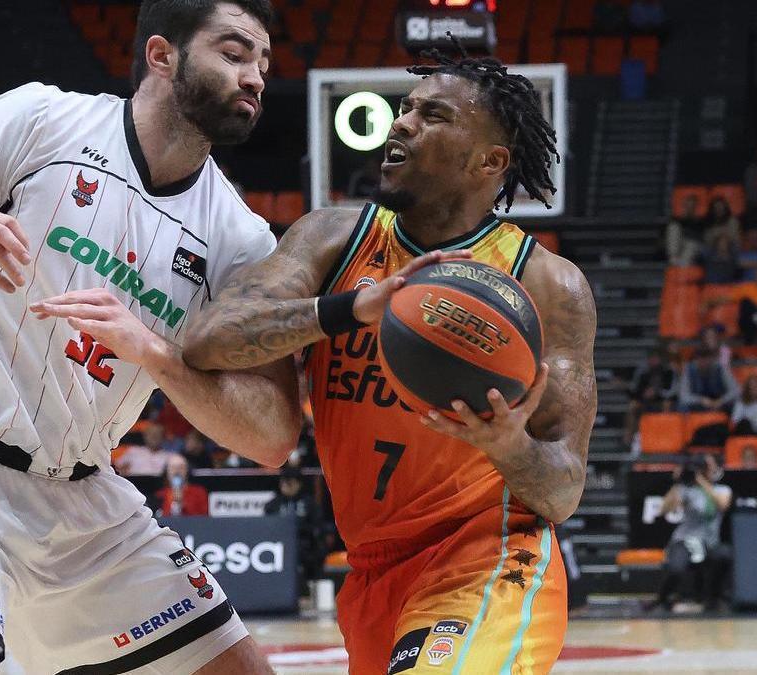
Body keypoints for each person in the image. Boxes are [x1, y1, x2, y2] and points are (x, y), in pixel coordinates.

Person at [0, 1, 296, 672]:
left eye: (262, 62)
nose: (255, 75)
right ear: (163, 56)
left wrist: (158, 356)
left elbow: (273, 437)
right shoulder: (38, 121)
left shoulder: (243, 240)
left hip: (89, 501)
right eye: (233, 53)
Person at [184, 48, 594, 674]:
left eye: (433, 115)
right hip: (371, 568)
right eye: (405, 109)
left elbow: (562, 490)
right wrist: (348, 310)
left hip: (486, 556)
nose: (401, 123)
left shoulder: (545, 286)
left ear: (491, 161)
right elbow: (207, 341)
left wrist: (509, 444)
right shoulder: (331, 238)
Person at [653, 453, 732, 612]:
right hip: (684, 539)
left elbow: (723, 505)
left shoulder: (722, 489)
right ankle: (662, 598)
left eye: (707, 467)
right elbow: (664, 510)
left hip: (709, 541)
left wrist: (701, 481)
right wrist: (677, 482)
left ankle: (713, 598)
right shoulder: (686, 489)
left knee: (724, 555)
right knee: (676, 568)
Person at [625, 343, 678, 443]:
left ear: (660, 359)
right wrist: (644, 394)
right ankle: (630, 437)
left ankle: (666, 432)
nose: (653, 361)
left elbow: (673, 391)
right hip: (645, 401)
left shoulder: (668, 372)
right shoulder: (643, 372)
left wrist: (657, 392)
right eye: (651, 358)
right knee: (633, 405)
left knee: (666, 404)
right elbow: (634, 390)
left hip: (662, 400)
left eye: (655, 358)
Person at [678, 346, 738, 413]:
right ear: (696, 359)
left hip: (720, 404)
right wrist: (701, 400)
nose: (704, 363)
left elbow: (736, 391)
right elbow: (683, 396)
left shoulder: (721, 368)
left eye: (706, 359)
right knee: (682, 406)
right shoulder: (688, 370)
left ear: (711, 358)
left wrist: (721, 401)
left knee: (736, 404)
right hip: (698, 405)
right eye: (700, 359)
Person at [665, 194, 702, 267]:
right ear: (684, 206)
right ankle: (673, 259)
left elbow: (698, 237)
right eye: (688, 205)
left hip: (694, 245)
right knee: (673, 227)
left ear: (695, 207)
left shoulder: (700, 220)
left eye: (692, 205)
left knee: (691, 244)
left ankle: (680, 266)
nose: (690, 207)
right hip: (680, 243)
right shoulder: (677, 219)